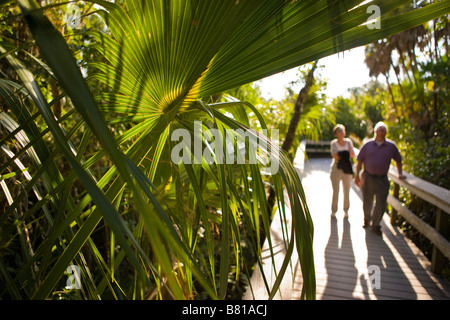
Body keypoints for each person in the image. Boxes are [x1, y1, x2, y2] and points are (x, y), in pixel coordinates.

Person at [355, 121, 406, 235]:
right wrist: (357, 175)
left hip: (382, 178)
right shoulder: (367, 145)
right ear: (375, 131)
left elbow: (398, 160)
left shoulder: (391, 146)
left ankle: (376, 224)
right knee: (367, 200)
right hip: (368, 177)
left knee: (381, 203)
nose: (382, 129)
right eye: (380, 128)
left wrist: (400, 173)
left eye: (384, 128)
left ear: (386, 132)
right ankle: (367, 219)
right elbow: (359, 161)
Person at [330, 124, 355, 218]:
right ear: (336, 134)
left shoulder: (348, 142)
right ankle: (334, 211)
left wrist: (342, 154)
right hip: (336, 168)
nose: (342, 132)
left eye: (343, 130)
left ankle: (346, 210)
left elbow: (352, 154)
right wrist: (346, 154)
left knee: (347, 190)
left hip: (347, 169)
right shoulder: (333, 143)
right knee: (336, 190)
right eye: (339, 131)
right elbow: (335, 156)